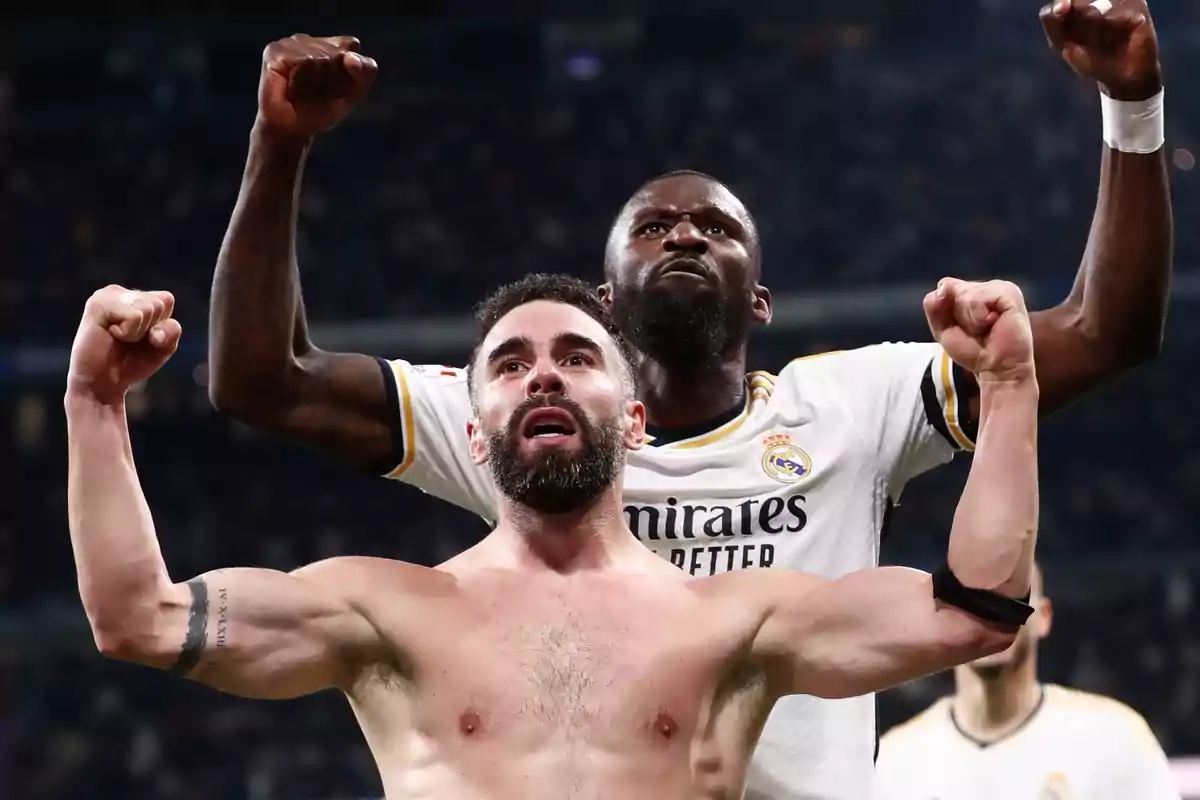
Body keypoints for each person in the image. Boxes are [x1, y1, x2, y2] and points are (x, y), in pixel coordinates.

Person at [206, 4, 1171, 797]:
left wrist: (1132, 103)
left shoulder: (850, 405)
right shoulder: (523, 418)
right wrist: (279, 142)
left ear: (758, 295)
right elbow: (260, 380)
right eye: (655, 226)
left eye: (715, 226)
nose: (683, 237)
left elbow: (1102, 334)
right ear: (604, 293)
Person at [69, 275, 1040, 800]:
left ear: (633, 419)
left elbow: (977, 613)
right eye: (512, 363)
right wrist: (94, 403)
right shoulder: (385, 609)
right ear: (474, 421)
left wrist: (1007, 389)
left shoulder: (737, 618)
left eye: (578, 357)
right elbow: (139, 619)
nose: (543, 376)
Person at [873, 564, 1181, 800]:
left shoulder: (1114, 738)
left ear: (1044, 617)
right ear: (944, 618)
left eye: (1012, 593)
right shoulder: (895, 761)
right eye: (971, 597)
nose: (989, 611)